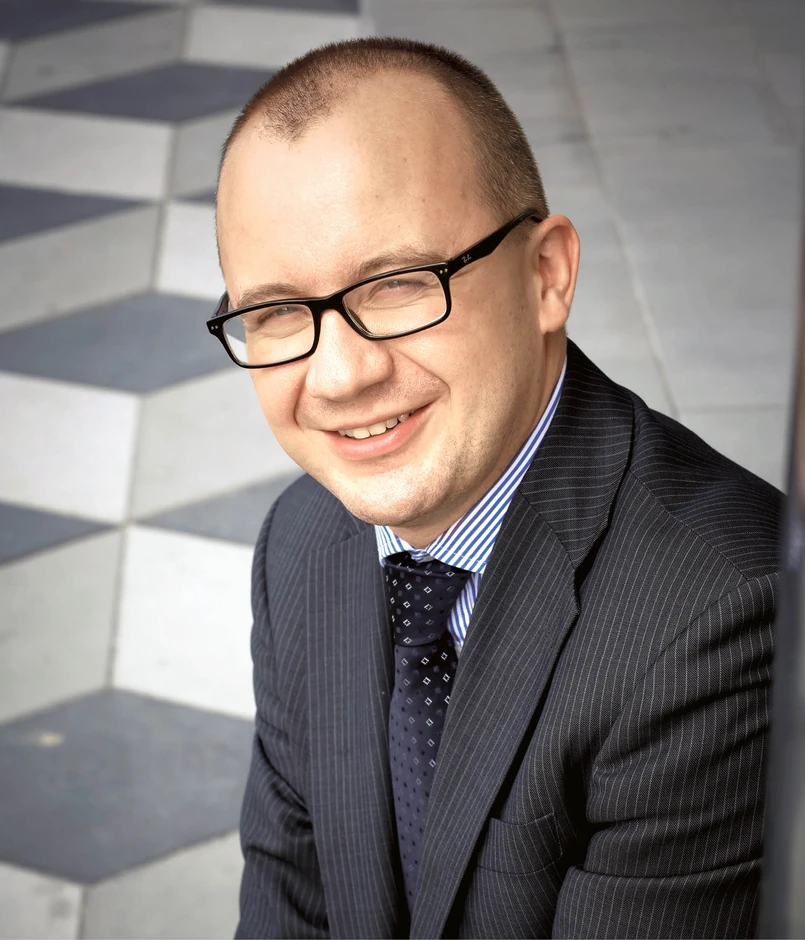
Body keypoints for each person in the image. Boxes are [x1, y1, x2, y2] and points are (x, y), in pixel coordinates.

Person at [210, 37, 782, 940]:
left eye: (396, 284)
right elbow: (292, 901)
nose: (340, 376)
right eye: (277, 312)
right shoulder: (302, 540)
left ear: (546, 274)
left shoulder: (721, 620)